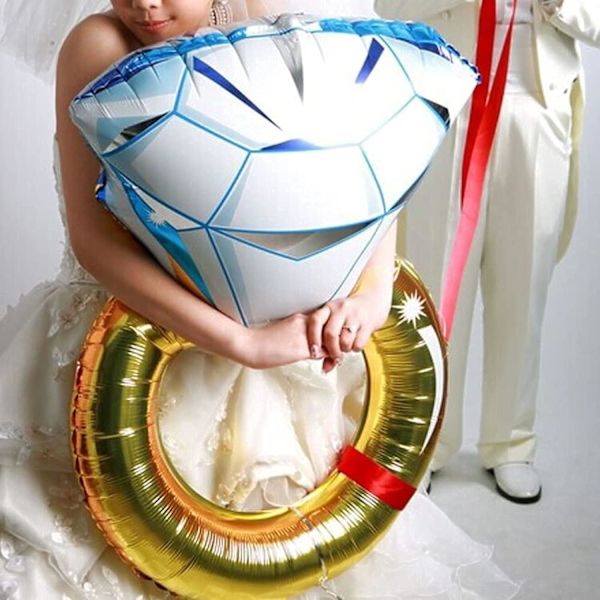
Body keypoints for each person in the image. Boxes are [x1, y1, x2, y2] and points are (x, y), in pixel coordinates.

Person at [0, 1, 520, 598]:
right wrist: (241, 342)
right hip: (134, 336)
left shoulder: (277, 20)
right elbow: (94, 242)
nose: (145, 4)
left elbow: (366, 162)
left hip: (285, 349)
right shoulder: (98, 45)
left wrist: (374, 294)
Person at [374, 0, 600, 503]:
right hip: (450, 107)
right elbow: (387, 6)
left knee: (524, 287)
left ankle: (511, 444)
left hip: (539, 112)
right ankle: (426, 442)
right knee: (433, 285)